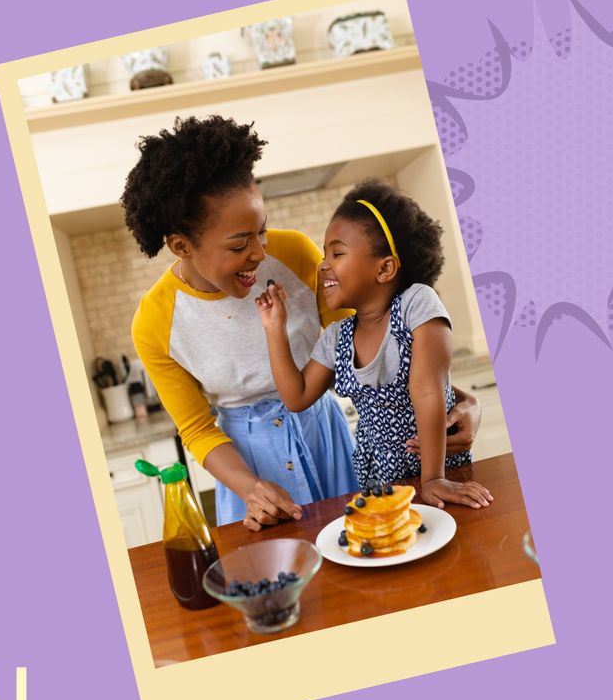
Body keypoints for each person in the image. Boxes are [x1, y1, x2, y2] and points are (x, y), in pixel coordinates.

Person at [124, 116, 481, 528]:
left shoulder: (295, 255)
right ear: (181, 245)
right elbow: (197, 430)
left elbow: (371, 348)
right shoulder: (155, 322)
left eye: (262, 232)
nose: (259, 252)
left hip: (327, 440)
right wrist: (248, 487)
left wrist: (463, 401)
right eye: (240, 244)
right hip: (248, 467)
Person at [256, 179, 493, 510]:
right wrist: (273, 328)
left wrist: (433, 479)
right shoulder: (337, 337)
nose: (324, 263)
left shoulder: (416, 305)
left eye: (337, 252)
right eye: (325, 253)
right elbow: (296, 396)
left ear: (385, 269)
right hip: (378, 479)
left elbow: (428, 390)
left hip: (439, 472)